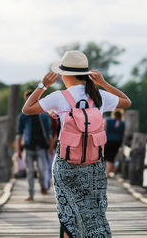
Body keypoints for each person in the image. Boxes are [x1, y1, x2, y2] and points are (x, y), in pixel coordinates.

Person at [22, 50, 131, 238]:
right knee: (94, 212)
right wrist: (103, 83)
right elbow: (126, 102)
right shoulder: (99, 96)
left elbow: (27, 109)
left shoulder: (59, 96)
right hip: (94, 166)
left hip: (66, 164)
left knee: (68, 213)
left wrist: (43, 85)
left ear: (66, 75)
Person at [17, 89, 52, 201]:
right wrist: (19, 150)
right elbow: (19, 133)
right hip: (29, 146)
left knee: (42, 169)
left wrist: (51, 147)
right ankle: (31, 194)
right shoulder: (23, 116)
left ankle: (43, 185)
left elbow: (49, 134)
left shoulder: (44, 115)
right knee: (30, 171)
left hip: (41, 146)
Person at [104, 110, 125, 177]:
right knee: (111, 157)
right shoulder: (122, 123)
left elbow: (103, 128)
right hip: (117, 142)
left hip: (108, 140)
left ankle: (106, 172)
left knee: (105, 156)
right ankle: (107, 173)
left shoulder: (108, 120)